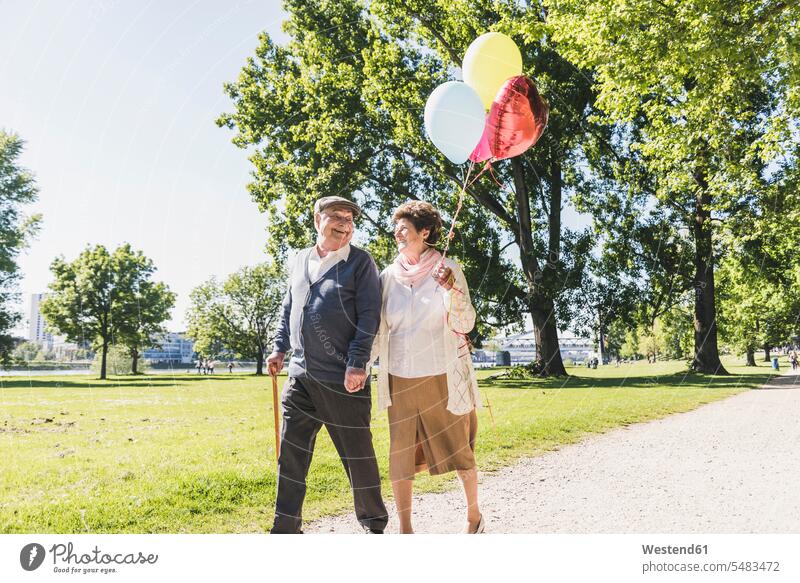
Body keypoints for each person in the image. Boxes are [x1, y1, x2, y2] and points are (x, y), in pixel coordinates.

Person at [266, 196, 387, 534]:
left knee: (357, 457)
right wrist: (279, 348)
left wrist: (356, 363)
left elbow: (369, 316)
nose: (345, 224)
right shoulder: (300, 260)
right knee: (291, 456)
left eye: (350, 219)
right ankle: (285, 528)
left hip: (342, 379)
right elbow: (288, 307)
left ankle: (373, 526)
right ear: (317, 218)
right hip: (300, 375)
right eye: (337, 216)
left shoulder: (360, 263)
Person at [371, 200, 484, 534]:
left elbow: (466, 322)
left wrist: (452, 290)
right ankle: (405, 530)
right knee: (400, 455)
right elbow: (379, 330)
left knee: (459, 449)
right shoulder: (386, 277)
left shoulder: (448, 268)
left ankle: (473, 516)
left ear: (425, 232)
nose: (397, 234)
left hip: (442, 376)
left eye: (404, 228)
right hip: (399, 379)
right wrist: (359, 365)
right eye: (396, 228)